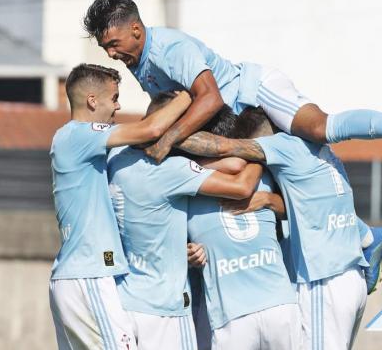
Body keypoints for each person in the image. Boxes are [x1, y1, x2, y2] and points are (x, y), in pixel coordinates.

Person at [83, 0, 382, 165]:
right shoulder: (137, 61)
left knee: (321, 130)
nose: (112, 54)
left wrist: (167, 140)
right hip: (237, 121)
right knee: (287, 172)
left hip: (256, 92)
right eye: (106, 49)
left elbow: (209, 99)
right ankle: (365, 238)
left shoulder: (169, 49)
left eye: (114, 44)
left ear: (135, 29)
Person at [177, 107, 375, 350]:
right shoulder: (309, 153)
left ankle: (368, 237)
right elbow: (312, 207)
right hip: (336, 279)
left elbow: (234, 160)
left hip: (323, 278)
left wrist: (169, 139)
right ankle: (367, 236)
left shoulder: (276, 153)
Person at [48, 63, 192, 350]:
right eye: (114, 98)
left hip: (81, 275)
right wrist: (190, 96)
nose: (118, 106)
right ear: (92, 100)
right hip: (88, 276)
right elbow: (150, 129)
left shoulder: (77, 142)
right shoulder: (79, 134)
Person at [106, 94, 266, 349]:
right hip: (165, 306)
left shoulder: (115, 156)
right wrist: (263, 146)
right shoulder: (172, 170)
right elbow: (240, 181)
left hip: (125, 299)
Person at [183, 104, 300, 350]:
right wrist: (188, 254)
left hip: (271, 307)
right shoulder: (187, 186)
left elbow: (300, 210)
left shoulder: (261, 173)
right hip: (237, 314)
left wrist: (269, 200)